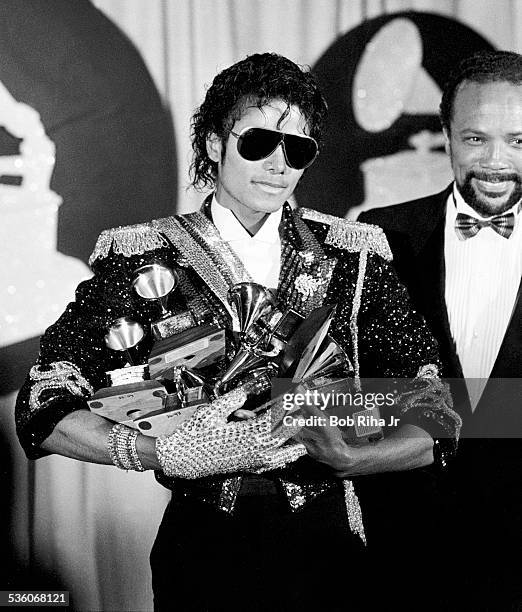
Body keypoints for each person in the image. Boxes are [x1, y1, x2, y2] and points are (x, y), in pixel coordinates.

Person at [16, 53, 460, 611]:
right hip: (203, 551)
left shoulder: (354, 254)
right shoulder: (144, 255)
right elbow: (43, 405)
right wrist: (164, 453)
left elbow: (437, 414)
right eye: (258, 142)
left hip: (331, 552)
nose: (278, 164)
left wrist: (351, 458)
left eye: (296, 149)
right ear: (213, 144)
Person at [360, 50, 522, 611]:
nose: (497, 161)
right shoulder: (379, 234)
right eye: (476, 139)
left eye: (518, 141)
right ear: (447, 135)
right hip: (406, 554)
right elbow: (362, 392)